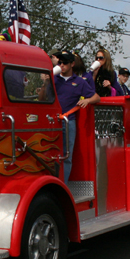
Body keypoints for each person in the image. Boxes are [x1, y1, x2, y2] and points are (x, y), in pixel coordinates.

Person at [54, 51, 100, 182]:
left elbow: (96, 97)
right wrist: (45, 83)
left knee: (66, 156)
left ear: (72, 64)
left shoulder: (79, 82)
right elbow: (42, 98)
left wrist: (87, 101)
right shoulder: (53, 79)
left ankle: (63, 186)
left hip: (69, 122)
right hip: (52, 121)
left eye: (65, 63)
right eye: (60, 62)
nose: (61, 65)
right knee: (51, 155)